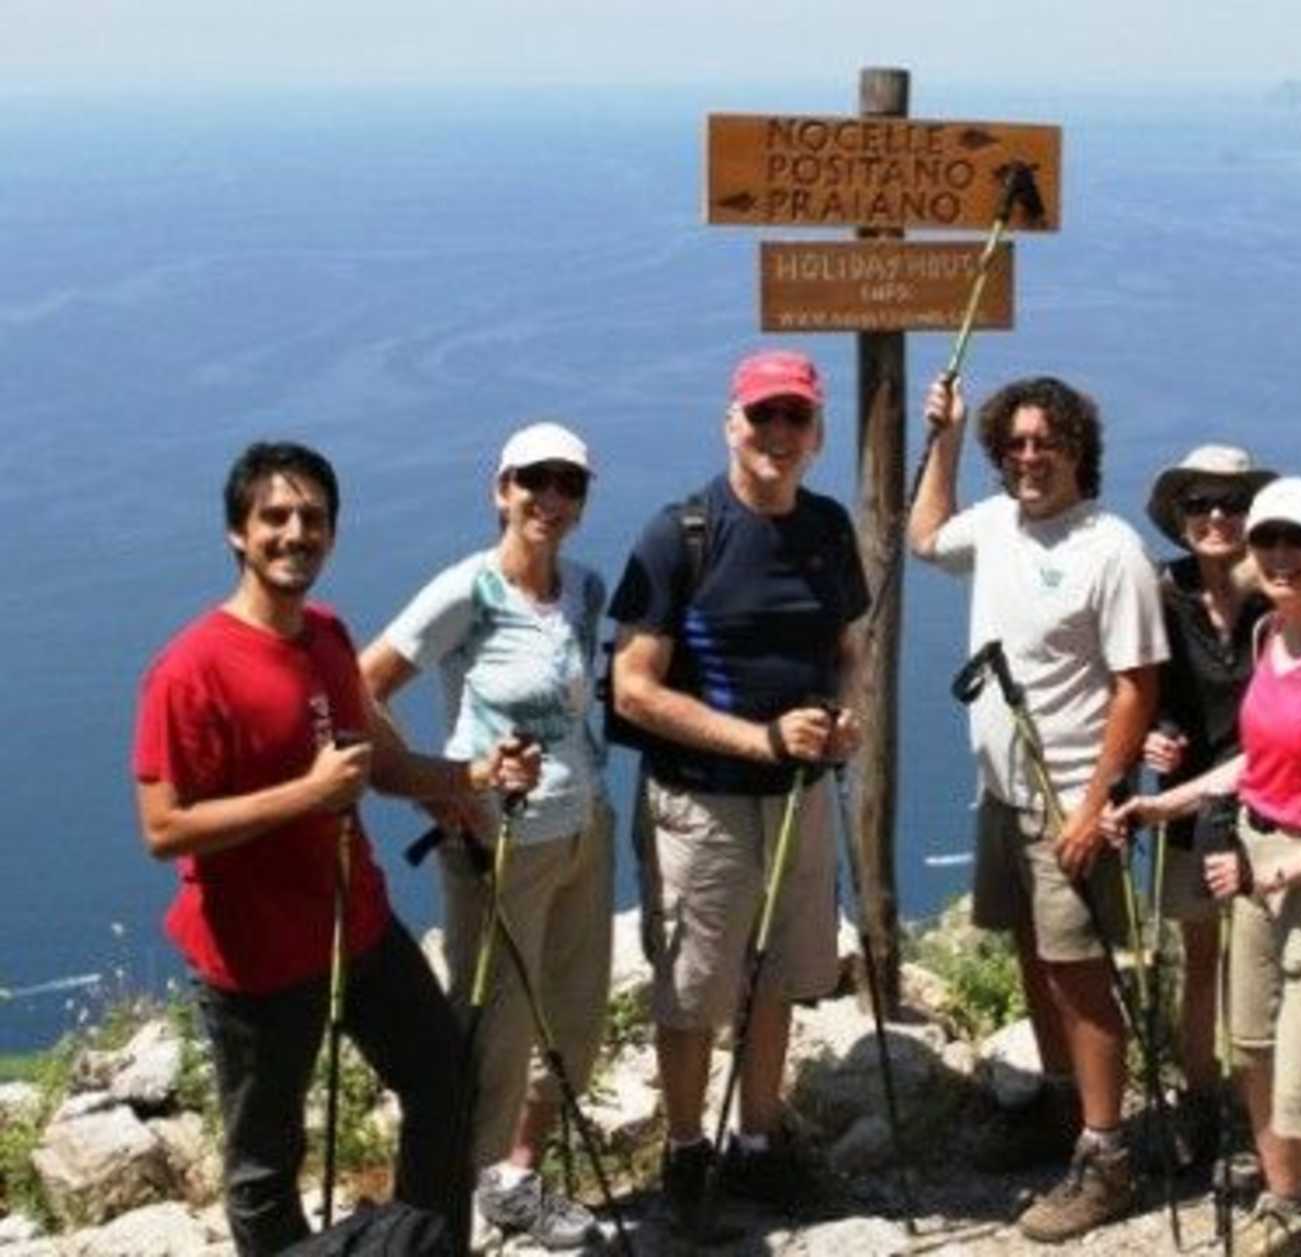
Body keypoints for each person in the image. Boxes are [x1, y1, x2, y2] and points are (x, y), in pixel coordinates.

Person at [132, 442, 537, 1255]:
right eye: (274, 517)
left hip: (358, 926)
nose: (294, 533)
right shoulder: (191, 670)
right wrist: (306, 797)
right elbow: (164, 827)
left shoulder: (324, 635)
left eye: (312, 518)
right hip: (255, 960)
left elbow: (375, 766)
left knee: (441, 1080)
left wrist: (472, 774)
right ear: (237, 536)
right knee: (264, 1168)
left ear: (333, 533)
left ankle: (427, 1247)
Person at [1112, 476, 1301, 1257]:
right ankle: (1287, 1209)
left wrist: (1279, 874)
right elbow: (1259, 759)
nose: (1280, 555)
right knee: (1253, 1047)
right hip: (1254, 857)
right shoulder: (1267, 636)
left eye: (1297, 541)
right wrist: (1167, 803)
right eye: (1267, 540)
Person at [609, 350, 868, 1233]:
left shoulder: (829, 527)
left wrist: (844, 715)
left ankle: (758, 1144)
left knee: (776, 979)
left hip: (799, 792)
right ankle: (687, 1152)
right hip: (702, 801)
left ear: (818, 432)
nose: (779, 435)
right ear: (731, 423)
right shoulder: (680, 533)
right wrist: (757, 740)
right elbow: (632, 687)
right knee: (692, 989)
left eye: (796, 418)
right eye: (763, 416)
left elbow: (847, 646)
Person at [909, 373, 1167, 1243]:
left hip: (1069, 799)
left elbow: (1138, 685)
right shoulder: (993, 525)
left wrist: (1095, 807)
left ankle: (1107, 1152)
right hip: (1003, 792)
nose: (1028, 457)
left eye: (1044, 443)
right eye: (1014, 443)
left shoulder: (1111, 549)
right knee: (1032, 954)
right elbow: (924, 536)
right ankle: (1062, 1114)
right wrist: (941, 440)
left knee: (1080, 973)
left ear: (1077, 450)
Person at [359, 422, 612, 1249]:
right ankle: (443, 1223)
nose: (550, 497)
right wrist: (439, 788)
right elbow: (362, 686)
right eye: (533, 479)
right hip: (499, 848)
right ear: (500, 488)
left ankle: (512, 1180)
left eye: (568, 483)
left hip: (583, 831)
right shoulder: (467, 590)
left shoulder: (584, 587)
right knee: (492, 1043)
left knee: (574, 1025)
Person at [1137, 444, 1276, 1163]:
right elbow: (1136, 690)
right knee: (1199, 962)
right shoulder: (1159, 595)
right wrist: (1151, 738)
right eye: (1200, 504)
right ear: (1182, 519)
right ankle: (1200, 1100)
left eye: (1231, 503)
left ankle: (1270, 1116)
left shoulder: (1277, 599)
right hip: (1188, 811)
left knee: (1265, 963)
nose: (1217, 516)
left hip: (1270, 813)